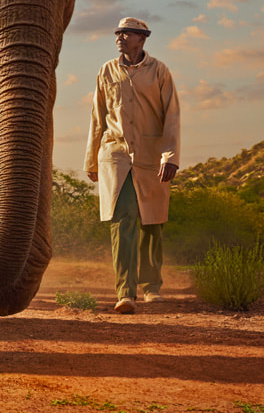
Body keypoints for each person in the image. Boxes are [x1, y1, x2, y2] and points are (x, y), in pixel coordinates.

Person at [84, 17, 180, 314]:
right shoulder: (106, 71)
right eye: (118, 33)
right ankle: (126, 291)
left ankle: (152, 286)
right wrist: (91, 159)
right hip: (116, 155)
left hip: (152, 156)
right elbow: (98, 116)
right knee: (122, 219)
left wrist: (171, 157)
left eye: (126, 33)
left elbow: (172, 115)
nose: (120, 37)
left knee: (152, 221)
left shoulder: (159, 71)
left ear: (142, 38)